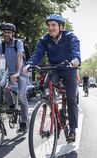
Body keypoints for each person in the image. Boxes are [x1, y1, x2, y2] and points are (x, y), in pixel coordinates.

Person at [24, 13, 81, 142]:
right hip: (54, 68)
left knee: (71, 99)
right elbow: (37, 54)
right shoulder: (44, 40)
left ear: (60, 27)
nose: (51, 28)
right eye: (49, 25)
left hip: (69, 68)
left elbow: (75, 50)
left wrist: (75, 59)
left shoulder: (70, 37)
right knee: (45, 93)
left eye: (54, 25)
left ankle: (72, 129)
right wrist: (30, 64)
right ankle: (53, 111)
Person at [0, 23, 28, 133]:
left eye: (9, 33)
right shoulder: (2, 45)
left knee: (21, 96)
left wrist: (17, 73)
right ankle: (11, 105)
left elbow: (20, 57)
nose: (7, 34)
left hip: (22, 72)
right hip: (9, 71)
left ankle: (24, 123)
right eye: (5, 32)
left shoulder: (18, 43)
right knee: (1, 85)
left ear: (13, 34)